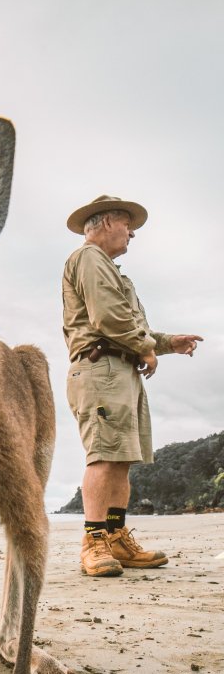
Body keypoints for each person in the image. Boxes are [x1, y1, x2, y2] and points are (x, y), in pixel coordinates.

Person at [62, 195, 203, 577]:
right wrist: (144, 346)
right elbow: (107, 317)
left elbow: (129, 324)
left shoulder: (111, 268)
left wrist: (167, 342)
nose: (133, 232)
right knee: (104, 455)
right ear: (106, 223)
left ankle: (116, 536)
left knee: (122, 458)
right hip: (100, 366)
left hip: (119, 369)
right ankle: (94, 541)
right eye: (127, 224)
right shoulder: (88, 258)